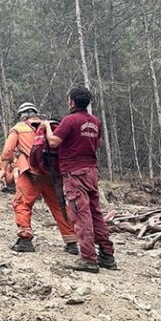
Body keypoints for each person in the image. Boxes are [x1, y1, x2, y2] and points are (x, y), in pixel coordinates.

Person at [44, 86, 116, 273]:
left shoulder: (70, 120)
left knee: (80, 214)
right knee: (95, 213)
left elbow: (53, 142)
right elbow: (98, 143)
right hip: (91, 171)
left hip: (74, 173)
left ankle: (88, 259)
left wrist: (46, 127)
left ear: (72, 102)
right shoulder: (95, 121)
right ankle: (107, 255)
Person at [1, 102, 78, 254]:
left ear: (22, 115)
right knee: (59, 206)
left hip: (30, 172)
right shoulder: (50, 126)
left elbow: (7, 151)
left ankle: (25, 239)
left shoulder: (19, 128)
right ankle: (71, 242)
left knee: (22, 203)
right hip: (52, 174)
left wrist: (3, 170)